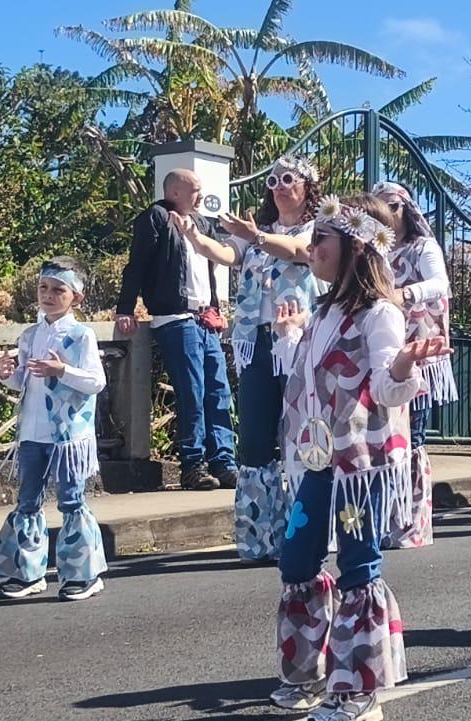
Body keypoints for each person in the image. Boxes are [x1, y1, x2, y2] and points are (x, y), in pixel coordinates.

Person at [268, 195, 444, 721]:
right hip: (321, 462)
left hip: (361, 467)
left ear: (353, 248)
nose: (310, 247)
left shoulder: (380, 313)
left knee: (357, 565)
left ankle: (359, 692)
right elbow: (306, 381)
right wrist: (289, 336)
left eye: (320, 239)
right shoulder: (323, 310)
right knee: (296, 559)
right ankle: (308, 675)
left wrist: (404, 367)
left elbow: (390, 393)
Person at [187, 154, 325, 562]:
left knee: (300, 435)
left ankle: (309, 529)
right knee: (254, 440)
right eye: (273, 181)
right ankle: (259, 536)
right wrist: (195, 237)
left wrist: (258, 238)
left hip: (296, 339)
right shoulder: (256, 232)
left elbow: (301, 252)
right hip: (255, 341)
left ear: (307, 186)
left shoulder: (318, 229)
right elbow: (227, 253)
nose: (279, 186)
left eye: (288, 179)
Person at [0, 257, 111, 600]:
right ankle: (28, 573)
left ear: (77, 297)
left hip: (68, 435)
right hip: (31, 431)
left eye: (58, 290)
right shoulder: (29, 335)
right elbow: (25, 383)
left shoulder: (81, 335)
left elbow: (96, 382)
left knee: (71, 500)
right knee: (27, 499)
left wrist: (62, 371)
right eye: (43, 288)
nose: (48, 295)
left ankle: (83, 574)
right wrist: (8, 374)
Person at [116, 168, 236, 491]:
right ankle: (192, 465)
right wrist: (125, 308)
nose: (200, 194)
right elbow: (137, 265)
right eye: (194, 189)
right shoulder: (155, 218)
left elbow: (213, 268)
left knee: (218, 389)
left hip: (204, 319)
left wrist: (216, 307)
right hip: (175, 319)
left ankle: (224, 461)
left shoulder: (202, 224)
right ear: (175, 193)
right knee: (192, 391)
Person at [373, 181, 457, 549]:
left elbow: (440, 283)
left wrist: (405, 294)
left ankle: (410, 522)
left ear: (404, 209)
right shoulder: (373, 251)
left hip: (419, 351)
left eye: (390, 206)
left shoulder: (424, 247)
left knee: (413, 435)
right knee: (385, 435)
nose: (385, 213)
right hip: (382, 349)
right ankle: (385, 517)